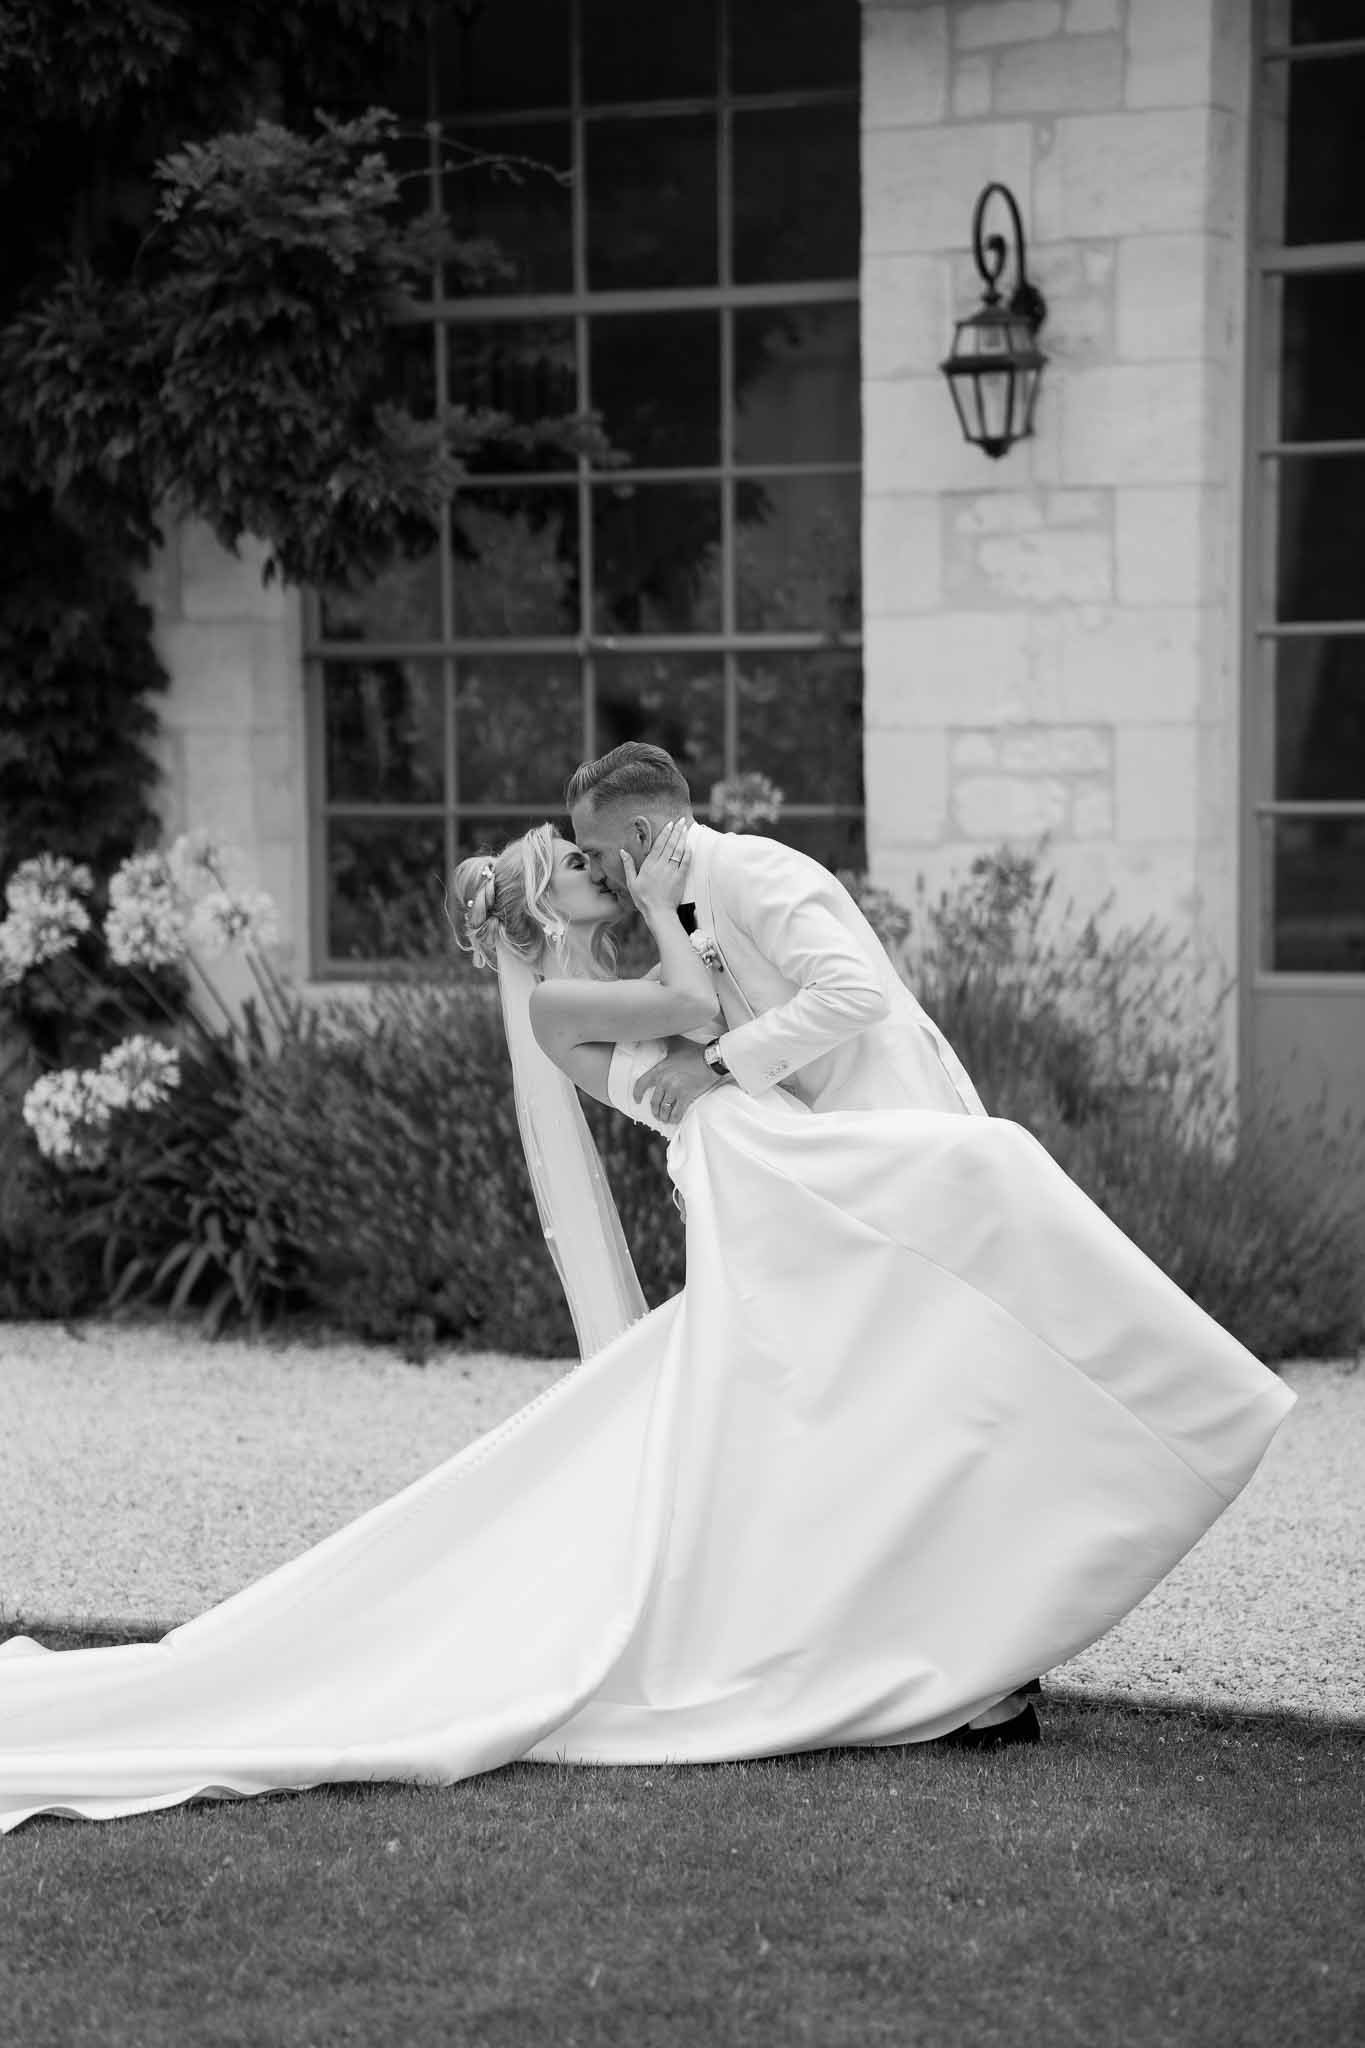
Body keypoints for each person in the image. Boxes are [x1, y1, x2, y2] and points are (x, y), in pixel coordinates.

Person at [0, 811, 1294, 1832]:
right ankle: (1150, 1443)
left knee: (922, 1343)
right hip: (762, 1175)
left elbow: (714, 1005)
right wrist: (671, 899)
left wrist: (678, 911)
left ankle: (994, 1611)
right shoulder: (565, 1004)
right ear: (541, 913)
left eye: (586, 851)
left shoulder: (608, 962)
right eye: (570, 866)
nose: (591, 865)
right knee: (987, 1177)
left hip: (785, 1160)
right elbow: (686, 1008)